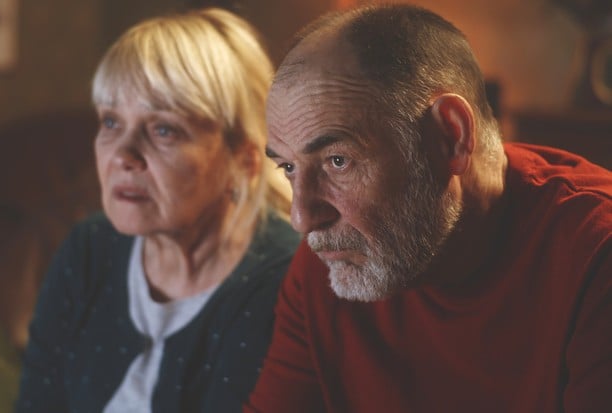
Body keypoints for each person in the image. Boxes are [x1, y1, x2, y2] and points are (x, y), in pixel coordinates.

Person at [246, 4, 612, 412]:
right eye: (289, 168)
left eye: (338, 161)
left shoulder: (595, 254)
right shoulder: (330, 263)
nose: (302, 218)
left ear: (449, 137)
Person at [14, 7, 299, 413]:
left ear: (244, 161)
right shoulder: (89, 248)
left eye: (164, 129)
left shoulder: (287, 282)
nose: (123, 155)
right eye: (111, 122)